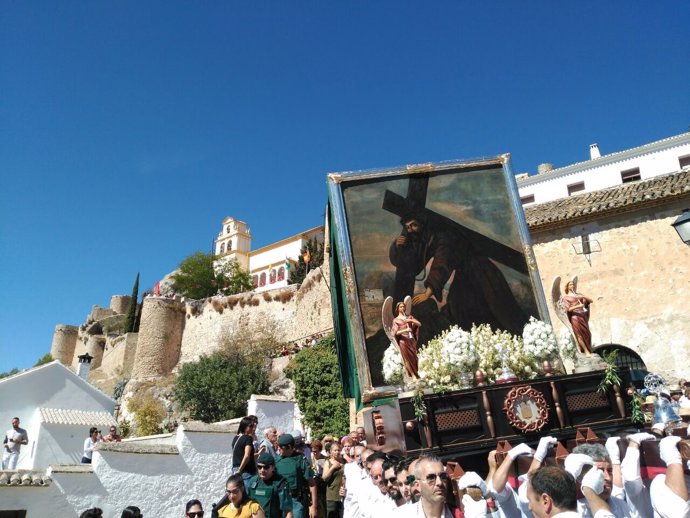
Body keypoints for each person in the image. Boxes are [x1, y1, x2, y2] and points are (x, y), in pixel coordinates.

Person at [389, 212, 527, 340]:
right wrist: (397, 246)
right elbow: (411, 263)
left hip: (480, 273)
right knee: (459, 310)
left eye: (414, 225)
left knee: (500, 312)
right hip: (465, 275)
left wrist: (428, 292)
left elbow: (442, 261)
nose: (411, 230)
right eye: (407, 227)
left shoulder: (444, 235)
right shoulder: (428, 239)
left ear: (423, 224)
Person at [398, 454, 456, 518]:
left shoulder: (459, 514)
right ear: (417, 485)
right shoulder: (400, 515)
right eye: (431, 477)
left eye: (443, 476)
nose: (439, 483)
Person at [275, 433, 318, 518]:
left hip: (296, 501)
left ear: (290, 447)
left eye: (281, 447)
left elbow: (312, 484)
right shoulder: (277, 460)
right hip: (280, 501)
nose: (278, 449)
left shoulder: (301, 460)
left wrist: (314, 507)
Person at [247, 452, 294, 518]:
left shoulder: (280, 483)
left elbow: (288, 512)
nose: (262, 470)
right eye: (259, 467)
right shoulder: (253, 481)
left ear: (273, 467)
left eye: (266, 467)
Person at [560, 280, 594, 356]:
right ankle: (585, 351)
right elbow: (568, 309)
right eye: (571, 285)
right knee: (579, 334)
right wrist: (578, 306)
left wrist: (583, 296)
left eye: (573, 284)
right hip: (575, 317)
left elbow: (591, 301)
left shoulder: (578, 295)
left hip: (582, 316)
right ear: (567, 287)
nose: (573, 286)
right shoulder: (566, 298)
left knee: (588, 334)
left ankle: (589, 349)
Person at [392, 301, 422, 379]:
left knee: (415, 358)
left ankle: (416, 373)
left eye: (403, 307)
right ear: (398, 309)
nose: (403, 308)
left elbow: (419, 324)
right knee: (407, 358)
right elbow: (395, 333)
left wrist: (410, 321)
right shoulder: (396, 320)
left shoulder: (409, 317)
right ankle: (412, 375)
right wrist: (405, 330)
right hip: (403, 341)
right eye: (401, 307)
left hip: (411, 340)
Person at [232, 417, 258, 488]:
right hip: (246, 471)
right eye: (251, 426)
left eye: (254, 426)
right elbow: (246, 456)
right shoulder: (248, 438)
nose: (253, 428)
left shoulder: (235, 438)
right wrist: (240, 470)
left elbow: (239, 454)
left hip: (235, 469)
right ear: (244, 426)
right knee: (248, 493)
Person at [322, 442, 345, 518]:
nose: (337, 452)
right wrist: (333, 468)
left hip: (343, 494)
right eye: (335, 450)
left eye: (338, 450)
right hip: (332, 496)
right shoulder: (328, 462)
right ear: (331, 452)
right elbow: (324, 478)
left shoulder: (344, 461)